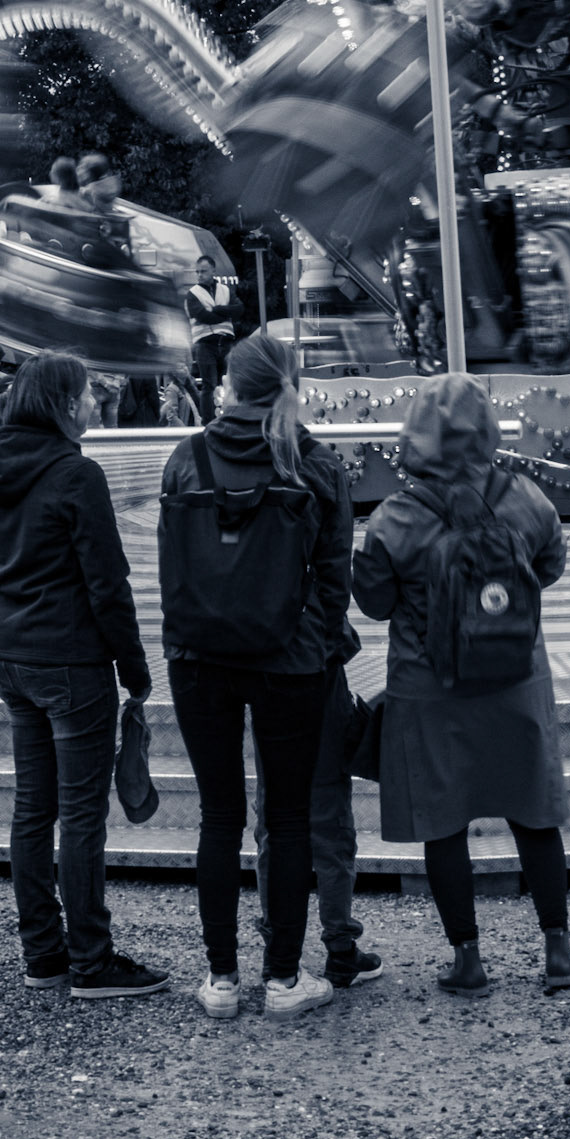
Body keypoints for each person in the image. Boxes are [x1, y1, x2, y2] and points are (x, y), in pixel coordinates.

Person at [351, 373, 570, 998]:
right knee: (534, 817)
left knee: (444, 823)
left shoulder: (395, 517)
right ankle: (558, 952)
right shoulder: (525, 498)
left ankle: (468, 961)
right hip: (517, 680)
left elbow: (374, 602)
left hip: (430, 690)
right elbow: (550, 567)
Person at [159, 331, 352, 1019]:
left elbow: (171, 565)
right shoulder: (313, 463)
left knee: (219, 816)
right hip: (289, 660)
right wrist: (313, 641)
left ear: (231, 386)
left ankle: (219, 979)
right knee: (289, 816)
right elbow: (335, 578)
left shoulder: (187, 459)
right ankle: (283, 980)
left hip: (198, 659)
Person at [0, 351, 168, 1000]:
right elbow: (107, 583)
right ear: (62, 404)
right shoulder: (76, 473)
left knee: (33, 808)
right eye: (86, 395)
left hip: (12, 656)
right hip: (71, 664)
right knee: (82, 815)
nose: (93, 404)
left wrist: (21, 614)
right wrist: (135, 669)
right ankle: (91, 960)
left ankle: (43, 954)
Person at [251, 616, 382, 989]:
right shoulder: (315, 585)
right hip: (320, 692)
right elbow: (342, 637)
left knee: (273, 830)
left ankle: (277, 952)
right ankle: (340, 948)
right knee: (330, 832)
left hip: (269, 692)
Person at [186, 253, 241, 422]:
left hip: (225, 342)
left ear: (213, 271)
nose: (199, 275)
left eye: (203, 271)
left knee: (229, 383)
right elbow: (202, 316)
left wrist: (217, 310)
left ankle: (229, 420)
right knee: (209, 385)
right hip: (205, 343)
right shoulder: (193, 294)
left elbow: (239, 309)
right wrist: (225, 313)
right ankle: (208, 423)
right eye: (197, 272)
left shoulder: (225, 290)